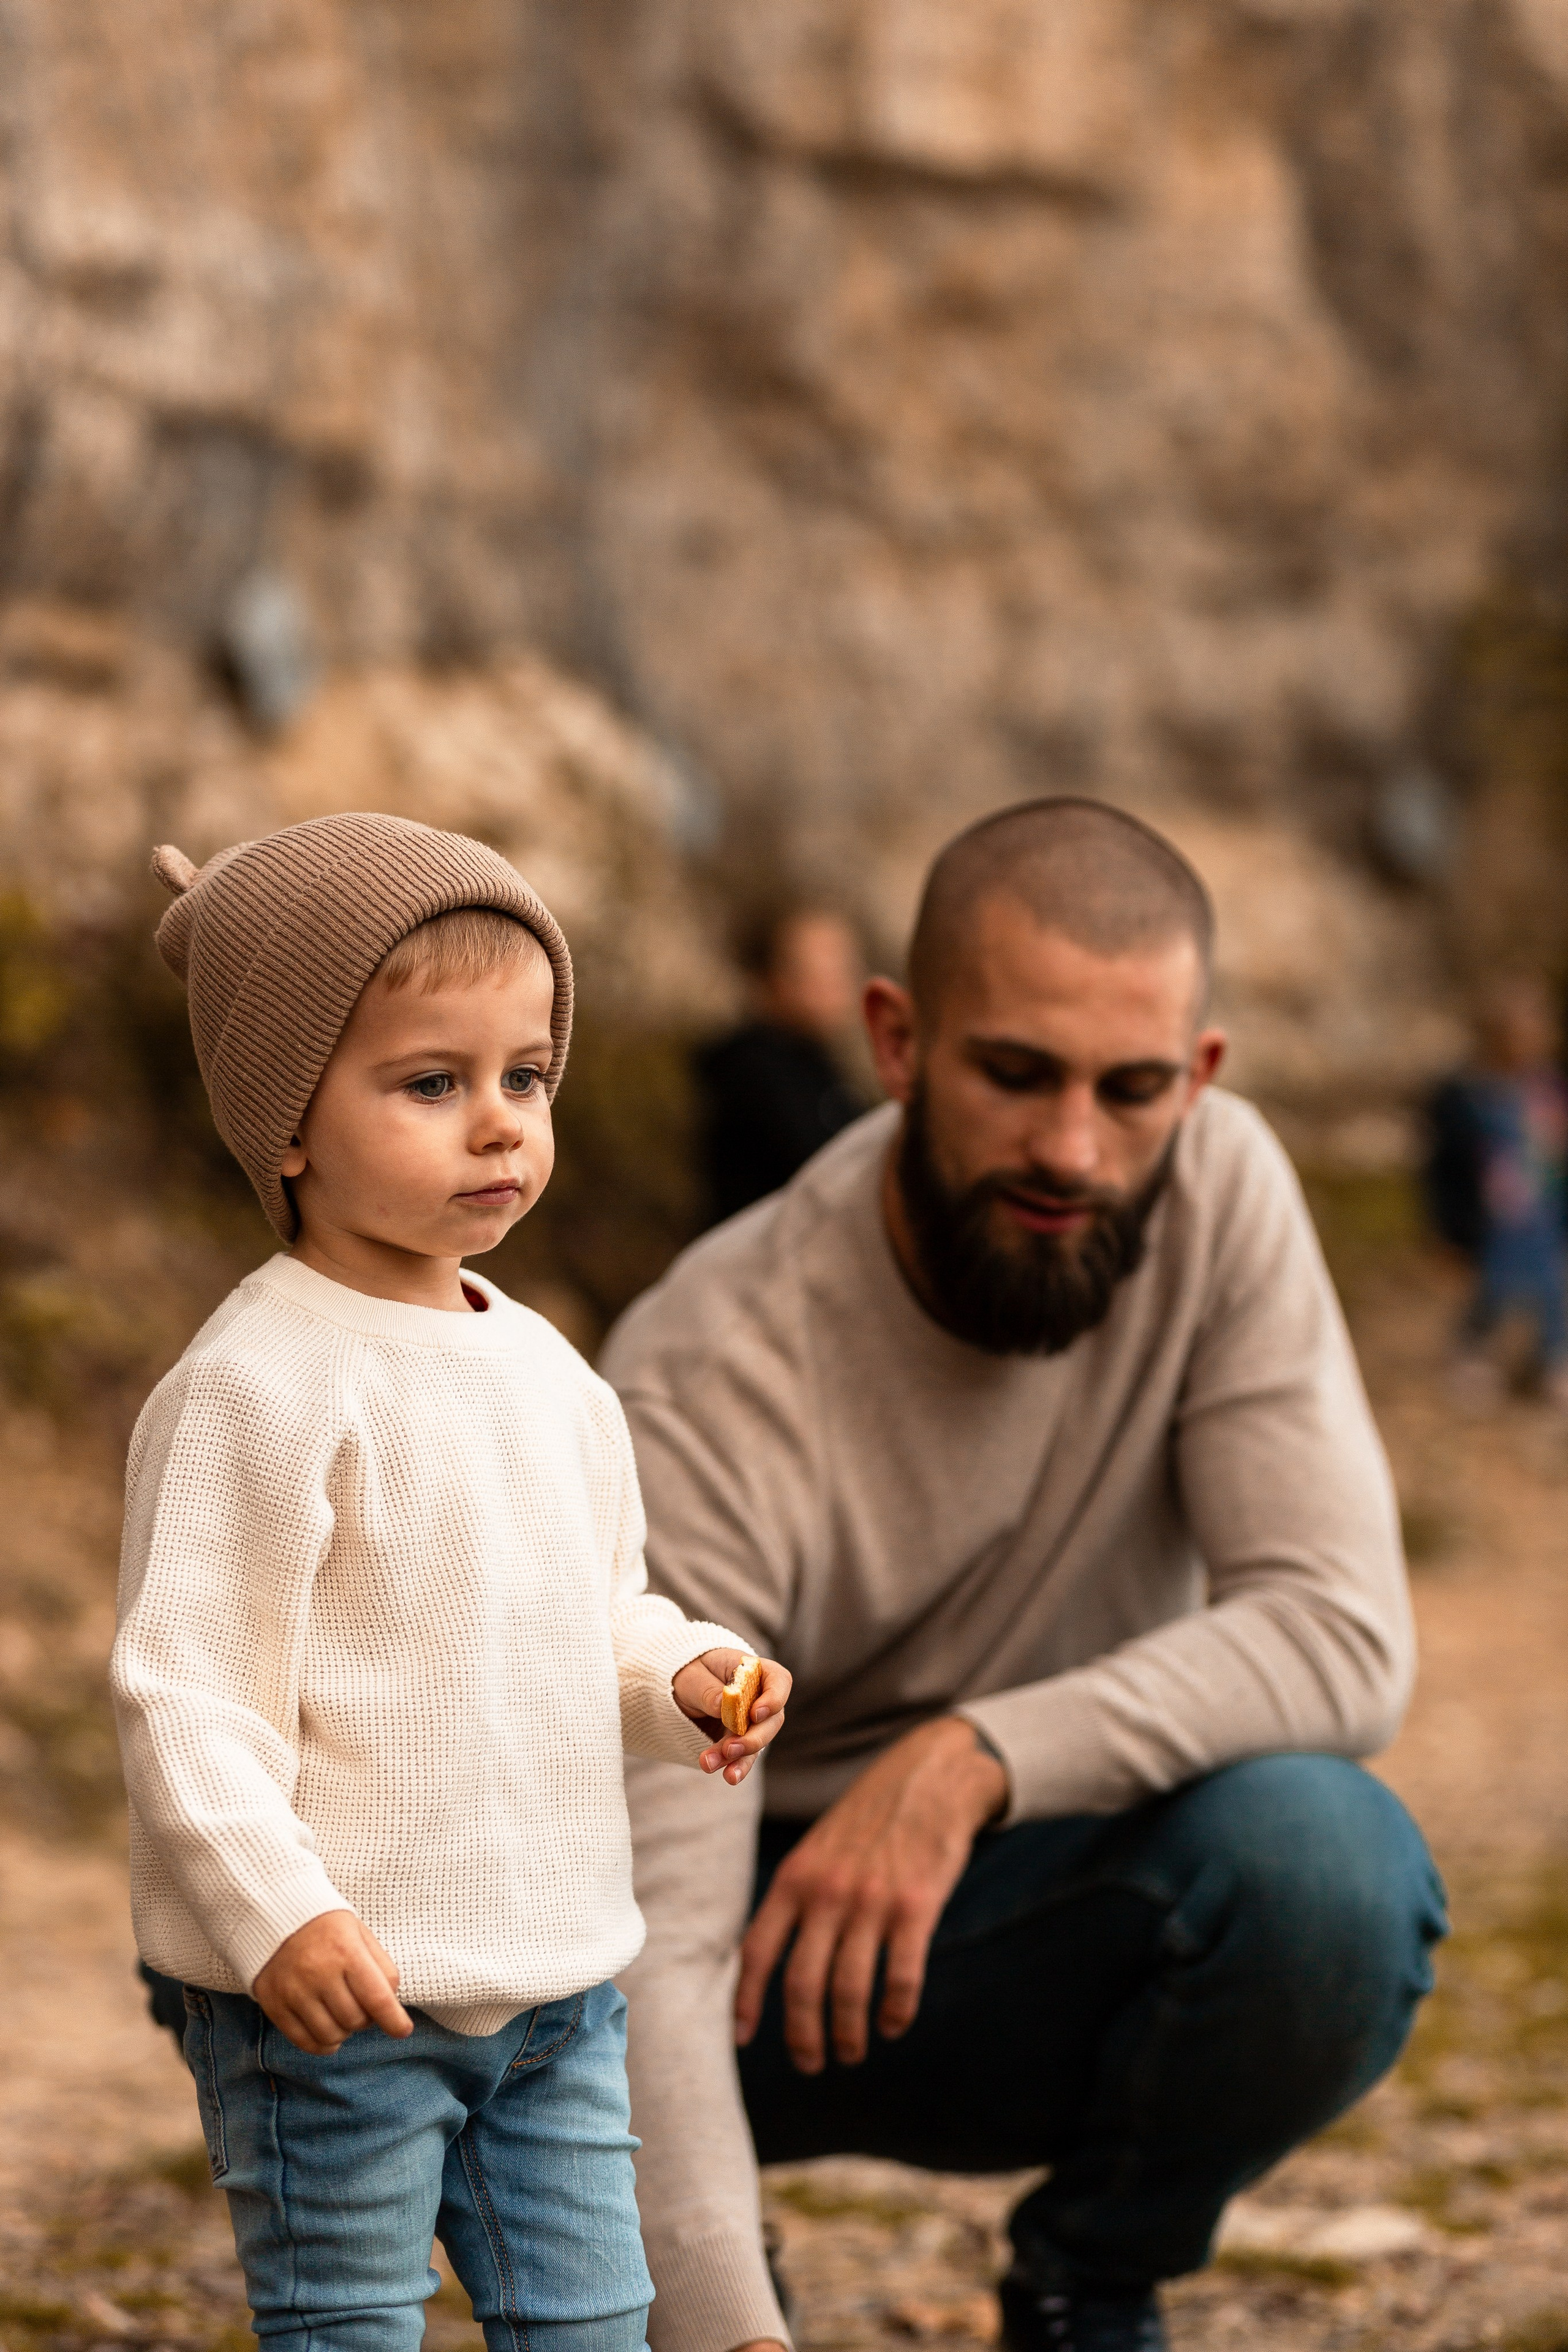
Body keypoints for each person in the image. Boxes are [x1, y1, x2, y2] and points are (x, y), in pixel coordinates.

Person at [601, 799, 1444, 2352]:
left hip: (1025, 1892)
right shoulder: (708, 1372)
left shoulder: (1220, 1188)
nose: (1071, 1148)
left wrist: (972, 1759)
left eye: (1129, 1089)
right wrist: (720, 2320)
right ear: (896, 1039)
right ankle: (659, 2248)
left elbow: (1338, 1634)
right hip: (746, 1959)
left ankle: (1085, 2282)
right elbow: (653, 1936)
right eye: (1013, 1073)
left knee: (1326, 1867)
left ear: (1195, 1075)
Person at [111, 813, 791, 2352]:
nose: (498, 1125)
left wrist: (674, 1673)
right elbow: (185, 1694)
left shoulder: (547, 1370)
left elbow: (589, 1616)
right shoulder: (256, 1387)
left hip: (556, 1985)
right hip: (337, 2001)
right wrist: (278, 1913)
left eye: (524, 1077)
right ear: (287, 1119)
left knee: (594, 2323)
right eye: (432, 1083)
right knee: (351, 2322)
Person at [1425, 975, 1568, 1411]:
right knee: (1491, 1290)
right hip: (1489, 1221)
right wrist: (1448, 1230)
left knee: (1553, 1291)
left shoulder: (1551, 1091)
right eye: (1510, 1029)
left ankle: (1552, 1362)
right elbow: (1442, 1169)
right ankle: (1474, 1353)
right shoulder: (1464, 1096)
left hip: (1543, 1215)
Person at [693, 905, 867, 1224]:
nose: (838, 985)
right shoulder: (754, 1071)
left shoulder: (817, 1066)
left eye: (844, 968)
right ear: (770, 979)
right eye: (819, 970)